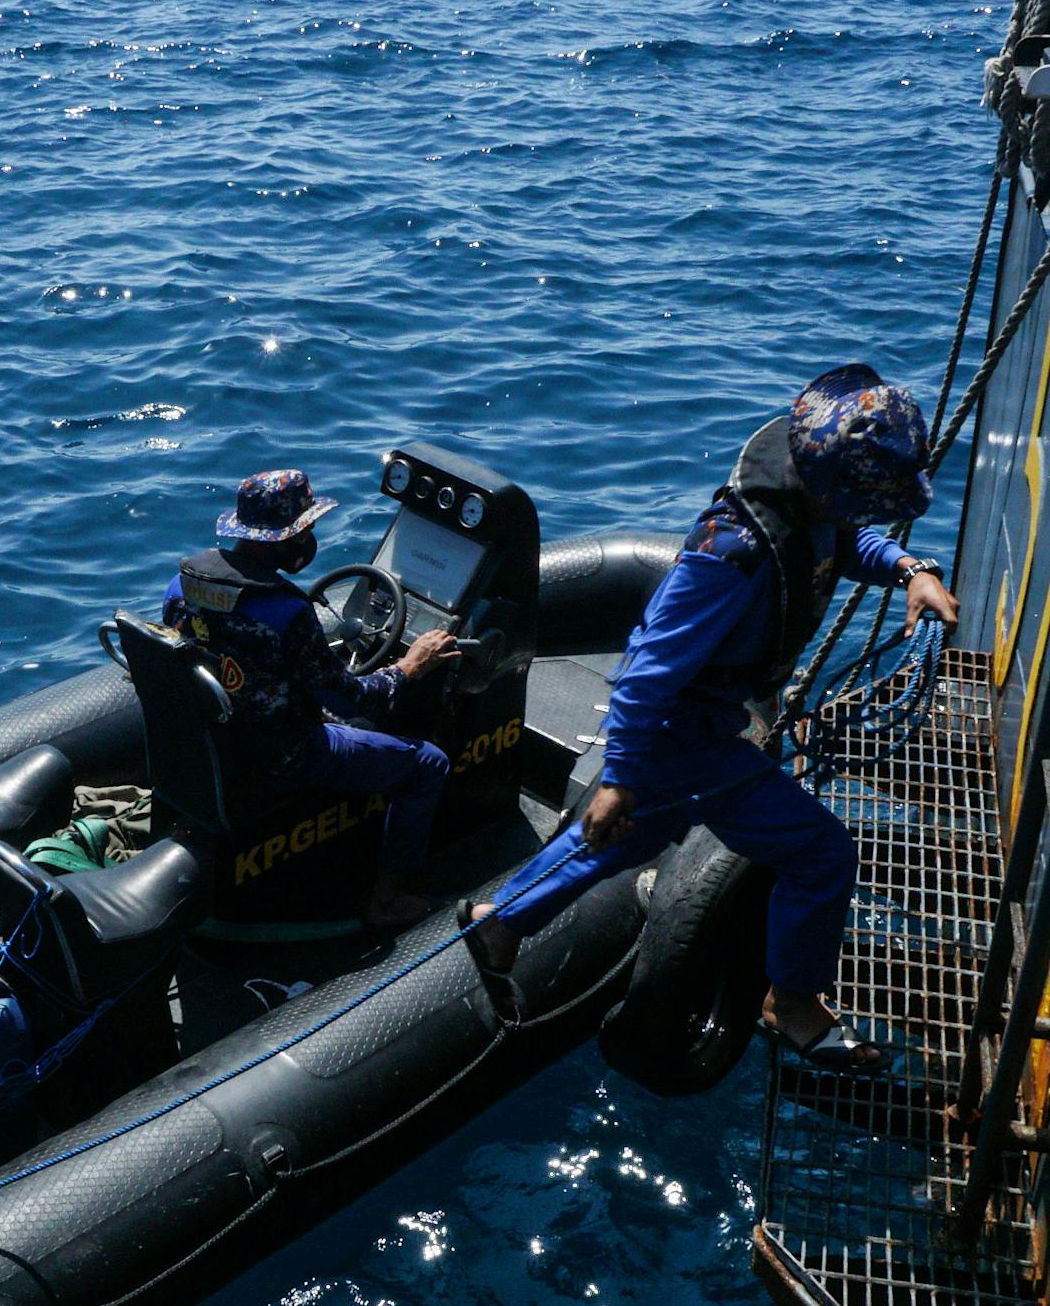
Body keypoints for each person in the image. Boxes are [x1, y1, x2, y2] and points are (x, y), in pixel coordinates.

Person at [461, 364, 959, 1074]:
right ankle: (791, 1009)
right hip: (684, 734)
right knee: (820, 853)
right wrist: (619, 776)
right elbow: (644, 672)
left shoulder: (809, 507)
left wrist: (911, 568)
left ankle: (499, 924)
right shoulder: (728, 556)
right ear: (832, 486)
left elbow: (845, 545)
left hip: (704, 727)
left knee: (634, 836)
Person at [163, 466, 459, 929]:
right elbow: (353, 701)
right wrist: (410, 666)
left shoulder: (182, 586)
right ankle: (385, 902)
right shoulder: (288, 613)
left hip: (219, 740)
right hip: (284, 755)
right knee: (428, 765)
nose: (310, 537)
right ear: (284, 537)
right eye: (306, 528)